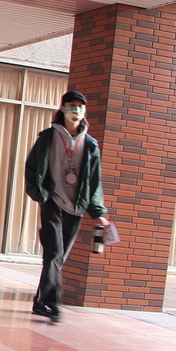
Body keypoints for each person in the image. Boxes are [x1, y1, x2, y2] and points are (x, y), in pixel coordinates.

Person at [24, 90, 109, 323]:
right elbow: (32, 167)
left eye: (80, 106)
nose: (76, 110)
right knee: (54, 253)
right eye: (72, 105)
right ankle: (52, 304)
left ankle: (41, 300)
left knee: (58, 258)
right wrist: (40, 194)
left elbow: (95, 181)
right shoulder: (48, 138)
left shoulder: (90, 145)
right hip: (52, 201)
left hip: (76, 207)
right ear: (62, 108)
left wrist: (98, 212)